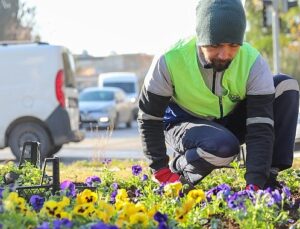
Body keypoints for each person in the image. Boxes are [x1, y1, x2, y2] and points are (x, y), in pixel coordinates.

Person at [137, 0, 299, 191]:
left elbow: (260, 126)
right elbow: (149, 118)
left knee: (285, 86)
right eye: (215, 45)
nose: (224, 54)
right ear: (201, 38)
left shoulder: (253, 62)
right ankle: (180, 168)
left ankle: (268, 179)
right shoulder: (169, 59)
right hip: (183, 122)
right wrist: (160, 170)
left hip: (229, 120)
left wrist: (255, 183)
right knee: (223, 148)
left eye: (233, 45)